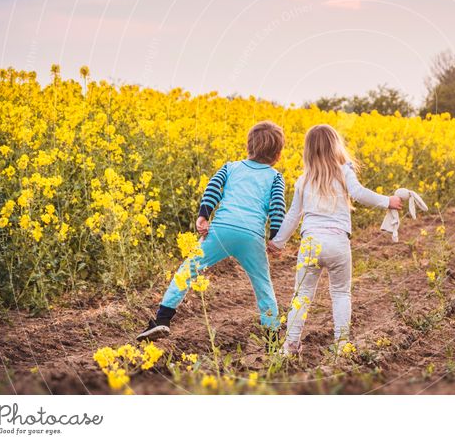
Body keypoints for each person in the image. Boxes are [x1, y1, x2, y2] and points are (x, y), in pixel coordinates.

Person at [137, 121, 286, 342]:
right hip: (251, 237)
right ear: (278, 154)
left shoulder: (231, 167)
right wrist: (276, 238)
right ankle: (273, 338)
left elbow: (213, 188)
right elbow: (277, 208)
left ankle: (162, 320)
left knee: (188, 271)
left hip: (221, 231)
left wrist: (203, 215)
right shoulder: (275, 177)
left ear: (249, 147)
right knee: (263, 285)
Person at [269, 124, 402, 355]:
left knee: (301, 295)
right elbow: (360, 194)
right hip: (338, 242)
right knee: (341, 293)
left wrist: (278, 242)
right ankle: (342, 344)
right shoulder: (344, 172)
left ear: (308, 151)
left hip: (310, 243)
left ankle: (290, 344)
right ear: (335, 146)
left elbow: (293, 215)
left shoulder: (304, 179)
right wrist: (387, 201)